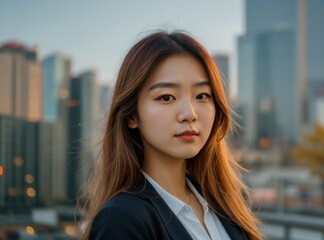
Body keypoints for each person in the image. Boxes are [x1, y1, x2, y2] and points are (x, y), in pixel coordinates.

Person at [81, 30, 263, 240]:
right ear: (131, 115)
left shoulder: (224, 203)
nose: (189, 114)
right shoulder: (120, 219)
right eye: (166, 97)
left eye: (202, 96)